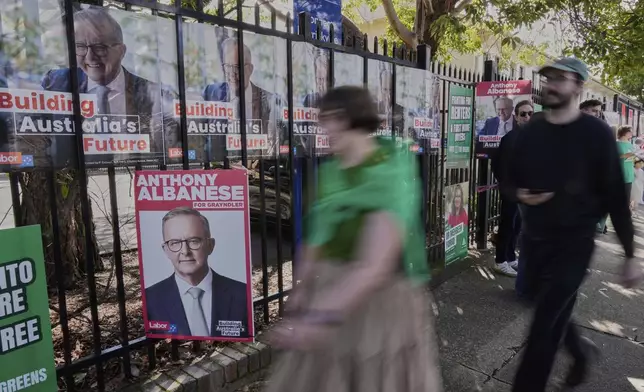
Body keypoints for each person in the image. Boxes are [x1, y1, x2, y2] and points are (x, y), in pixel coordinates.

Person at [266, 86, 442, 392]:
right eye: (323, 119)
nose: (324, 127)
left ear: (353, 118)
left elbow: (372, 267)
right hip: (333, 292)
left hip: (382, 306)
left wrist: (318, 319)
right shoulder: (333, 171)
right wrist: (301, 290)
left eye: (331, 118)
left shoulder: (392, 171)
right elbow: (315, 240)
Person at [500, 57, 642, 392]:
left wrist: (630, 254)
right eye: (548, 77)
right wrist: (520, 192)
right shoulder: (532, 129)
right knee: (551, 310)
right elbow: (506, 179)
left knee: (542, 330)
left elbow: (614, 200)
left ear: (578, 86)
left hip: (574, 246)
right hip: (533, 243)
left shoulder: (595, 135)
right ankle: (580, 352)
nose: (551, 84)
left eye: (561, 78)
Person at [42, 7, 178, 164]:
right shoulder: (56, 82)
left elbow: (165, 150)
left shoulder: (154, 93)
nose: (90, 57)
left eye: (99, 47)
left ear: (121, 51)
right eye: (80, 47)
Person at [145, 207, 249, 338]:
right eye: (175, 243)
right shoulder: (150, 299)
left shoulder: (242, 293)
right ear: (165, 250)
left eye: (194, 241)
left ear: (210, 245)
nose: (185, 251)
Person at [204, 37, 280, 156]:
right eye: (228, 66)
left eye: (237, 67)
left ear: (250, 69)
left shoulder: (270, 100)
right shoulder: (211, 92)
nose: (232, 73)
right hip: (221, 168)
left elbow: (273, 144)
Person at [490, 100, 533, 277]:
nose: (527, 117)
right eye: (523, 114)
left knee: (516, 226)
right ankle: (500, 261)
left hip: (524, 192)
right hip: (511, 192)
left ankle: (509, 257)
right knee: (507, 226)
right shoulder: (510, 138)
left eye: (530, 113)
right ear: (516, 116)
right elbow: (500, 166)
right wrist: (508, 189)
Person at [617, 126, 636, 209]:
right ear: (624, 132)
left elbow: (632, 158)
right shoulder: (616, 143)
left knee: (627, 196)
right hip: (619, 173)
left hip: (629, 173)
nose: (632, 133)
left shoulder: (630, 144)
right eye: (630, 132)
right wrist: (624, 156)